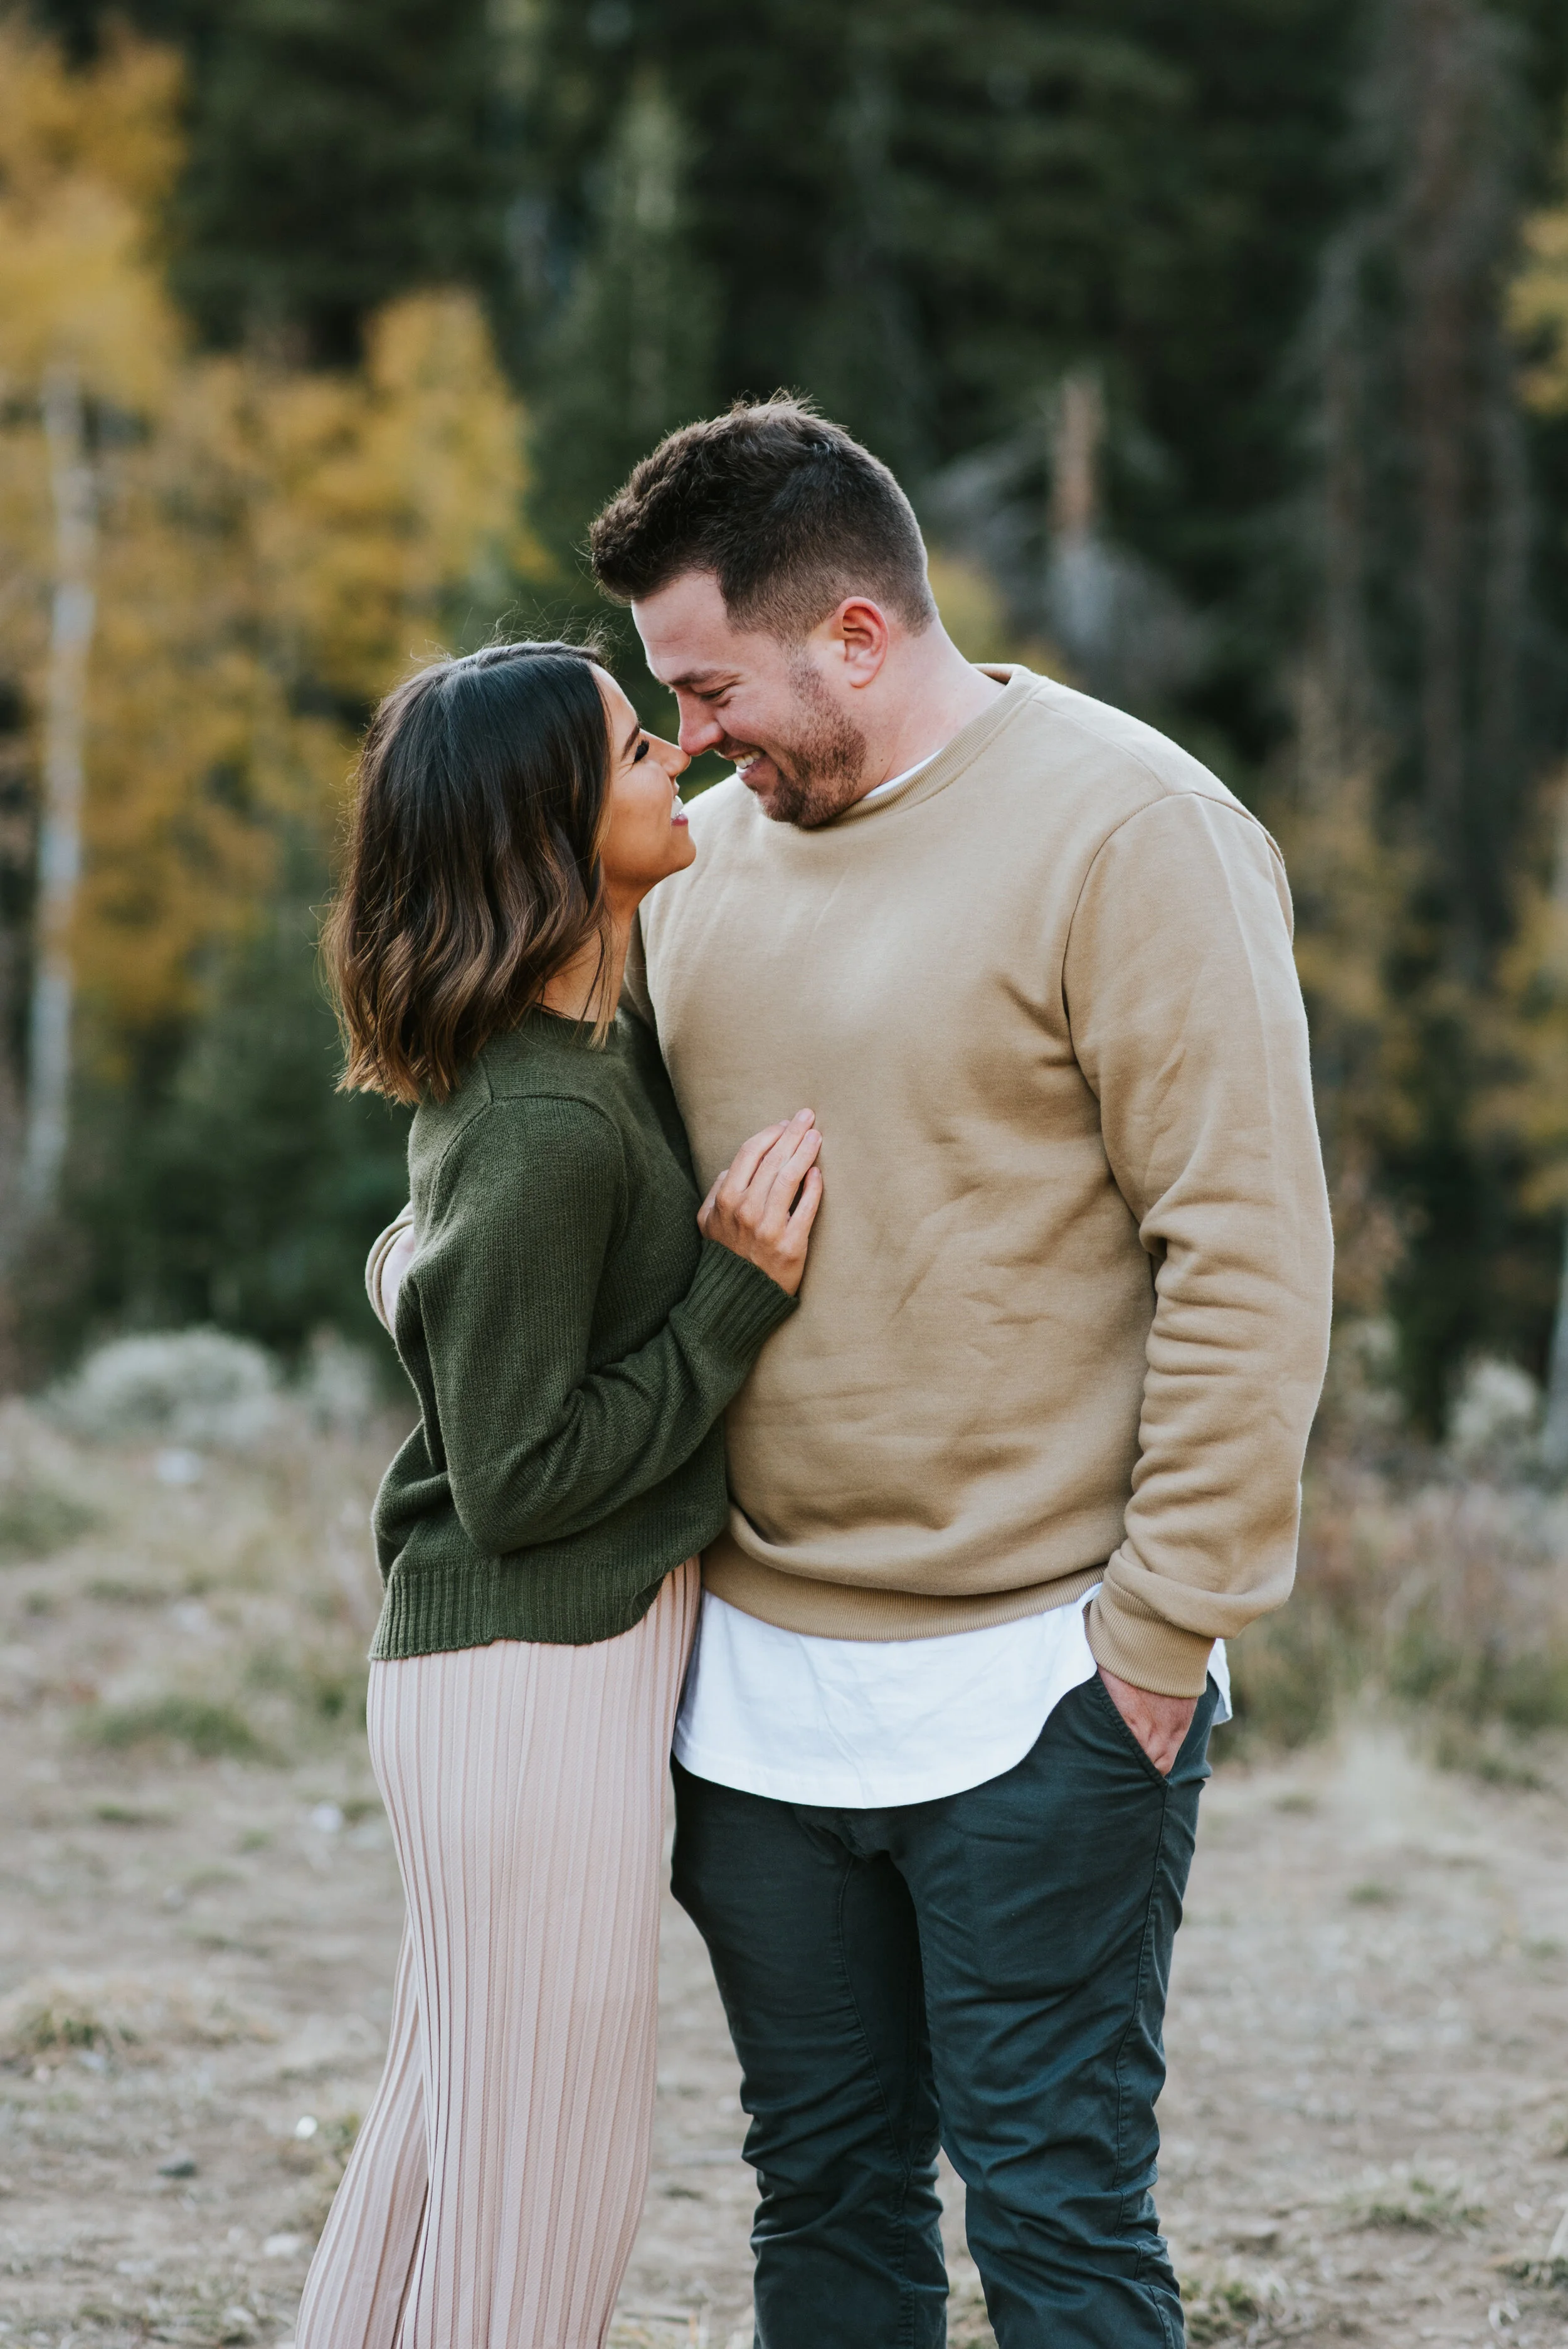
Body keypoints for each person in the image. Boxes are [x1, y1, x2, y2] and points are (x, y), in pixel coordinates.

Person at [583, 398, 1335, 2349]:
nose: (687, 740)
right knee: (822, 2201)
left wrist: (1155, 1644)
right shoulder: (697, 872)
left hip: (1041, 1685)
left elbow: (1245, 1251)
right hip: (752, 1703)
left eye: (709, 688)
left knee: (1056, 2221)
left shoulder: (1132, 831)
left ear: (853, 635)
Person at [296, 638, 822, 2349]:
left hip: (516, 1681)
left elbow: (424, 1269)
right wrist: (731, 1300)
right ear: (545, 831)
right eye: (627, 748)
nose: (674, 751)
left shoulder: (573, 1054)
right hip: (532, 1682)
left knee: (441, 2145)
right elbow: (517, 1479)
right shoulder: (542, 1116)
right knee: (539, 2197)